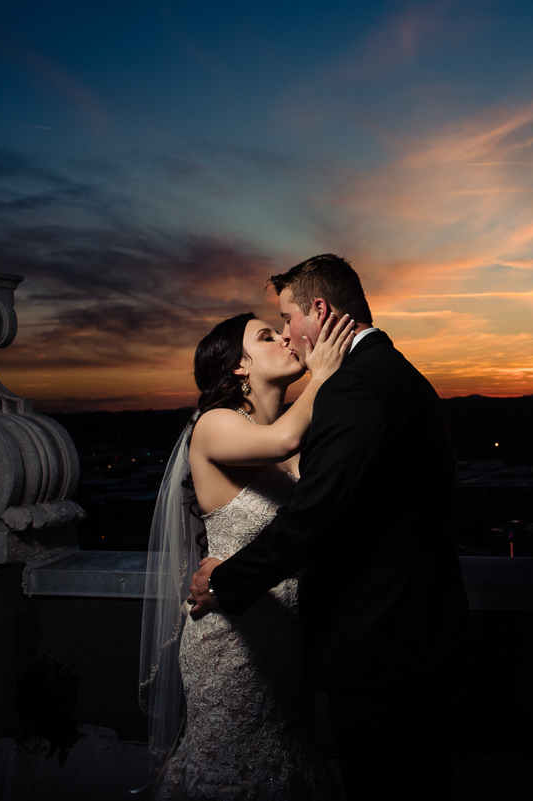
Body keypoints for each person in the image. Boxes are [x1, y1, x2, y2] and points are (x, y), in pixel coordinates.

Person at [187, 254, 469, 801]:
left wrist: (226, 581)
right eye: (271, 335)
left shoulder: (354, 386)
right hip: (386, 635)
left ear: (319, 309)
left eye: (286, 321)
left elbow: (312, 518)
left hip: (381, 642)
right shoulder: (391, 373)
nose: (289, 337)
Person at [138, 309, 356, 800]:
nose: (284, 338)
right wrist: (321, 374)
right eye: (266, 336)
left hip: (286, 642)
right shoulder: (215, 424)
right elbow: (283, 439)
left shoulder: (290, 429)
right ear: (240, 366)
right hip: (231, 642)